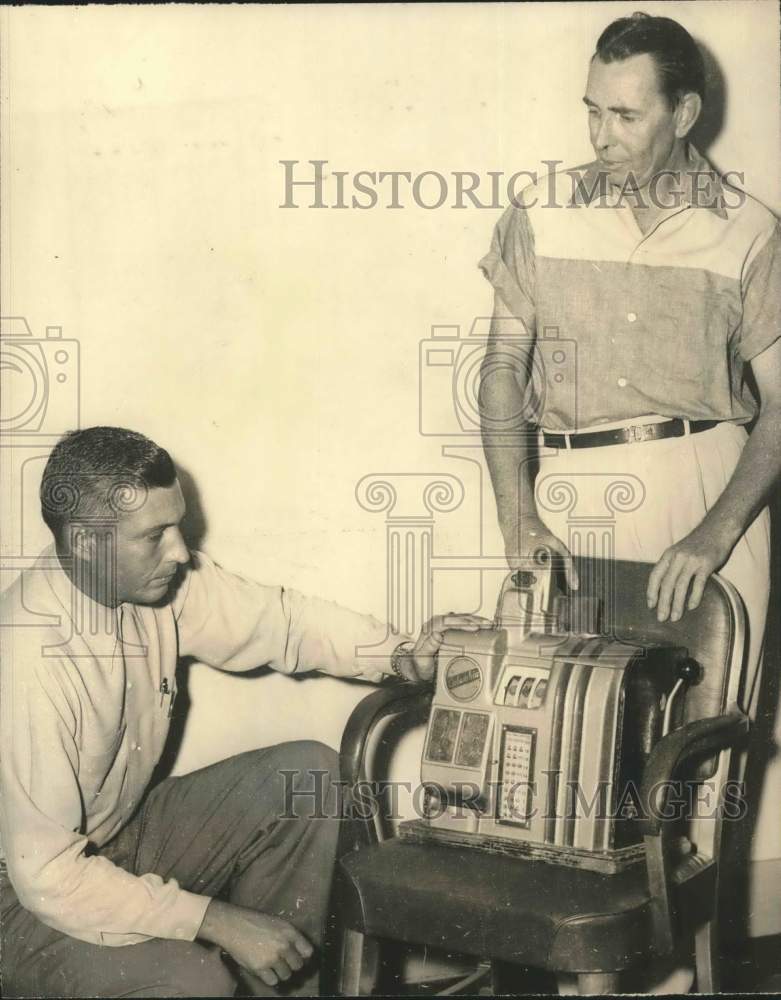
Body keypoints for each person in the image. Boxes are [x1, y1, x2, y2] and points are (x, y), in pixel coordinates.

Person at [478, 10, 780, 993]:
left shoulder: (749, 231)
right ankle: (598, 979)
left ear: (682, 113)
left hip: (706, 486)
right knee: (569, 750)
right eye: (590, 112)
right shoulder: (541, 213)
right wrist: (518, 514)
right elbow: (500, 370)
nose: (599, 136)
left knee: (697, 755)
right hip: (572, 493)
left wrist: (715, 530)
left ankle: (684, 971)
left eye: (624, 115)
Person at [0, 425, 483, 998]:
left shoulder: (150, 586)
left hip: (117, 837)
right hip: (25, 895)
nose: (180, 552)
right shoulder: (28, 656)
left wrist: (401, 657)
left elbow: (281, 622)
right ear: (85, 542)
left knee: (308, 776)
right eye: (154, 535)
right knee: (196, 980)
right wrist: (218, 921)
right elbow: (49, 875)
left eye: (177, 526)